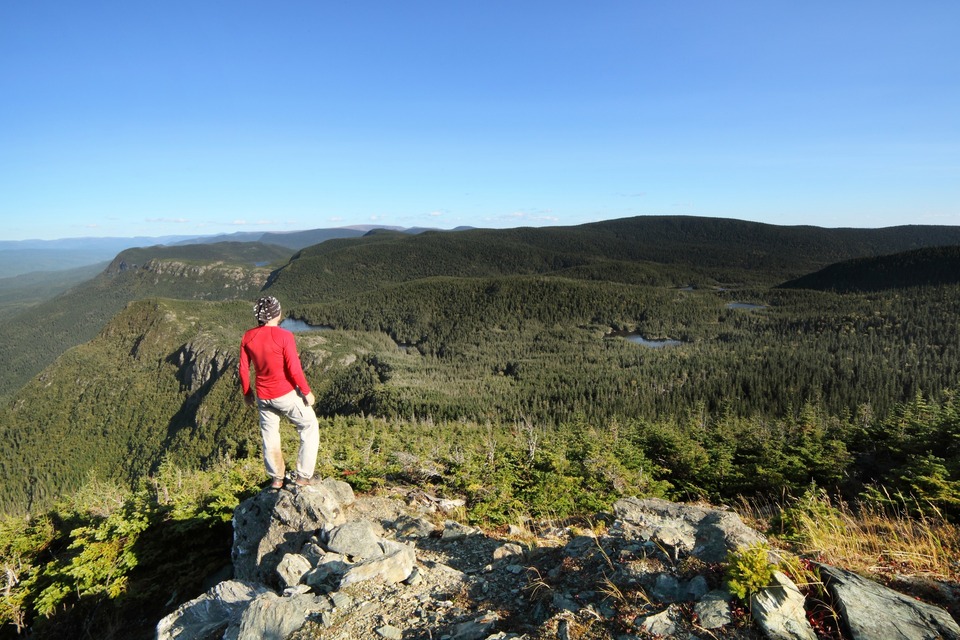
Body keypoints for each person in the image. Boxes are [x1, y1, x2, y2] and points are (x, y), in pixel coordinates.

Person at [238, 295, 319, 489]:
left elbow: (243, 368)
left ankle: (276, 479)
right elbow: (294, 368)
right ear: (277, 314)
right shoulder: (285, 336)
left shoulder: (248, 336)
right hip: (285, 394)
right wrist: (306, 392)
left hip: (263, 397)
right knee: (309, 426)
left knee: (270, 435)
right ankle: (303, 476)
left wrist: (247, 393)